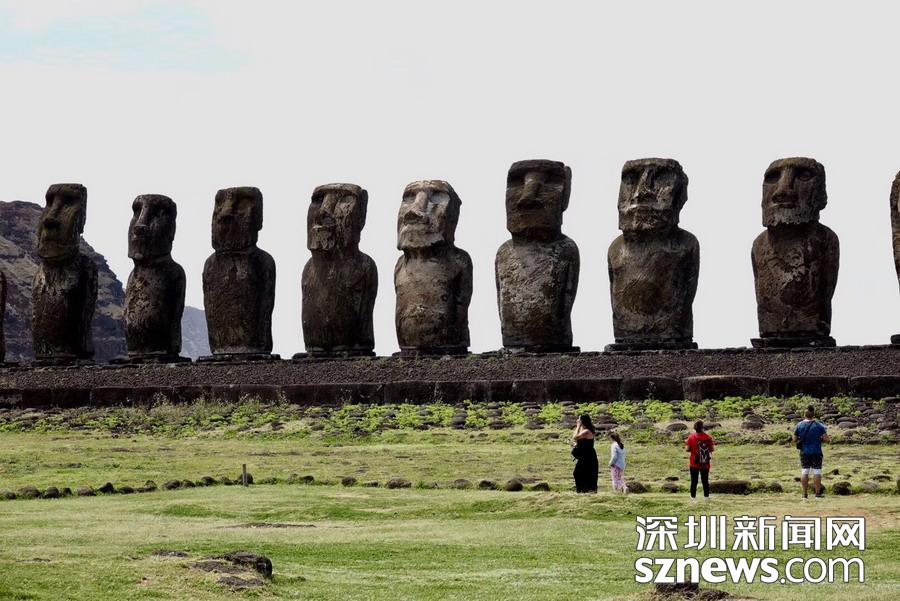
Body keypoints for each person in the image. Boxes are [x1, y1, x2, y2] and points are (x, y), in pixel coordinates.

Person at [792, 405, 830, 499]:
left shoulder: (799, 425)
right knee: (817, 472)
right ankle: (817, 493)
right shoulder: (819, 425)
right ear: (813, 414)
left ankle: (804, 494)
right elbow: (826, 439)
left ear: (804, 414)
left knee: (804, 472)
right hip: (816, 451)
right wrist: (819, 440)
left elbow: (794, 439)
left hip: (804, 452)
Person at [685, 420, 714, 501]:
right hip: (705, 463)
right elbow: (711, 449)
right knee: (705, 481)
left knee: (694, 481)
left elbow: (687, 449)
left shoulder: (691, 437)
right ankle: (706, 498)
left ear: (695, 428)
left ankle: (693, 498)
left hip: (694, 462)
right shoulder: (708, 437)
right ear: (702, 427)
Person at [571, 414, 598, 493]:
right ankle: (583, 490)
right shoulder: (586, 430)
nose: (577, 420)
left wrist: (578, 426)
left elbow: (575, 437)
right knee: (581, 472)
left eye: (579, 419)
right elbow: (583, 441)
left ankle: (585, 490)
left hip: (588, 456)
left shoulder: (586, 431)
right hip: (585, 455)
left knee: (580, 472)